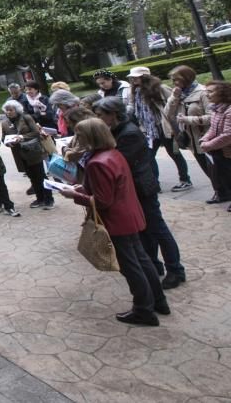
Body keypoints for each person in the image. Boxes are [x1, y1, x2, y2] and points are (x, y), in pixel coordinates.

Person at [59, 119, 169, 326]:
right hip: (130, 215)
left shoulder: (97, 163)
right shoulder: (114, 154)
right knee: (142, 260)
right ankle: (159, 301)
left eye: (80, 135)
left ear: (91, 137)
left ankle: (144, 310)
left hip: (116, 221)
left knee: (130, 266)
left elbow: (102, 201)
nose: (77, 139)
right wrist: (83, 189)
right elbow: (110, 188)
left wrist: (72, 195)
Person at [93, 97, 185, 290]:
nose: (98, 118)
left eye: (101, 115)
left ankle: (175, 270)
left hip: (142, 187)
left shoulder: (129, 134)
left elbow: (119, 162)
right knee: (143, 230)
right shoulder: (118, 131)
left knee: (157, 229)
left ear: (113, 114)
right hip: (133, 188)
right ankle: (154, 266)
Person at [127, 66, 193, 192]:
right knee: (149, 156)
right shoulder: (135, 90)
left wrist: (175, 121)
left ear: (144, 77)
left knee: (174, 154)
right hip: (149, 129)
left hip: (164, 127)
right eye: (132, 77)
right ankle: (154, 183)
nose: (133, 80)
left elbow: (175, 101)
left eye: (136, 77)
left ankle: (185, 180)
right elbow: (133, 107)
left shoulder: (160, 88)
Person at [165, 65, 219, 201]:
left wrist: (189, 120)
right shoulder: (177, 93)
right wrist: (174, 98)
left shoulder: (202, 93)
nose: (174, 83)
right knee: (207, 169)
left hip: (208, 138)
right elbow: (167, 114)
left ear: (186, 78)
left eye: (176, 80)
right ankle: (220, 191)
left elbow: (213, 116)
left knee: (217, 168)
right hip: (192, 140)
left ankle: (222, 191)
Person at [1, 99, 54, 209]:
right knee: (31, 177)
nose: (8, 112)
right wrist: (7, 143)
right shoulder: (5, 123)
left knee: (40, 176)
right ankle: (40, 199)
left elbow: (35, 133)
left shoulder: (26, 117)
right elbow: (3, 138)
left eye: (11, 110)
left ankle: (49, 199)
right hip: (19, 154)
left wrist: (22, 137)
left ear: (17, 110)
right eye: (6, 110)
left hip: (33, 151)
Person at [199, 80, 231, 211]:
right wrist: (204, 139)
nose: (207, 94)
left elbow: (228, 135)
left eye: (210, 91)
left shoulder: (229, 110)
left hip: (227, 149)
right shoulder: (216, 108)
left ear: (222, 93)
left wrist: (209, 145)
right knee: (224, 176)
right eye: (206, 91)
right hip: (221, 150)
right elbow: (213, 128)